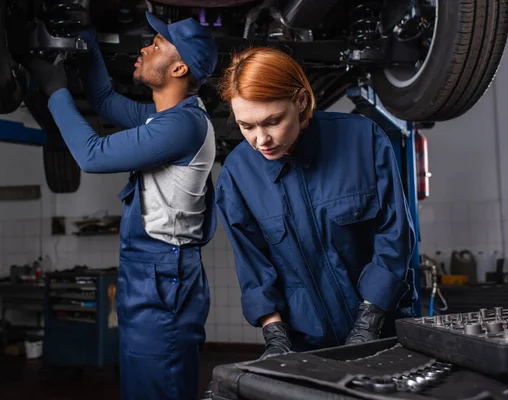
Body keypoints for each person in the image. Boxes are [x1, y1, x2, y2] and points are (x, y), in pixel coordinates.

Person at [23, 12, 218, 400]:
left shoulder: (183, 125)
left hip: (164, 272)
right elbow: (104, 99)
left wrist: (56, 90)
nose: (145, 47)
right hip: (148, 270)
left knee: (157, 385)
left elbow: (91, 156)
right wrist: (88, 39)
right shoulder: (163, 117)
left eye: (157, 44)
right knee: (142, 381)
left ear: (179, 68)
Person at [215, 47, 417, 359]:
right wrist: (275, 338)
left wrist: (368, 324)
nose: (261, 139)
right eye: (247, 126)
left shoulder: (363, 139)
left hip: (386, 331)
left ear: (301, 101)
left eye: (273, 121)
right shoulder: (238, 174)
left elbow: (395, 235)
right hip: (307, 343)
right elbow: (253, 263)